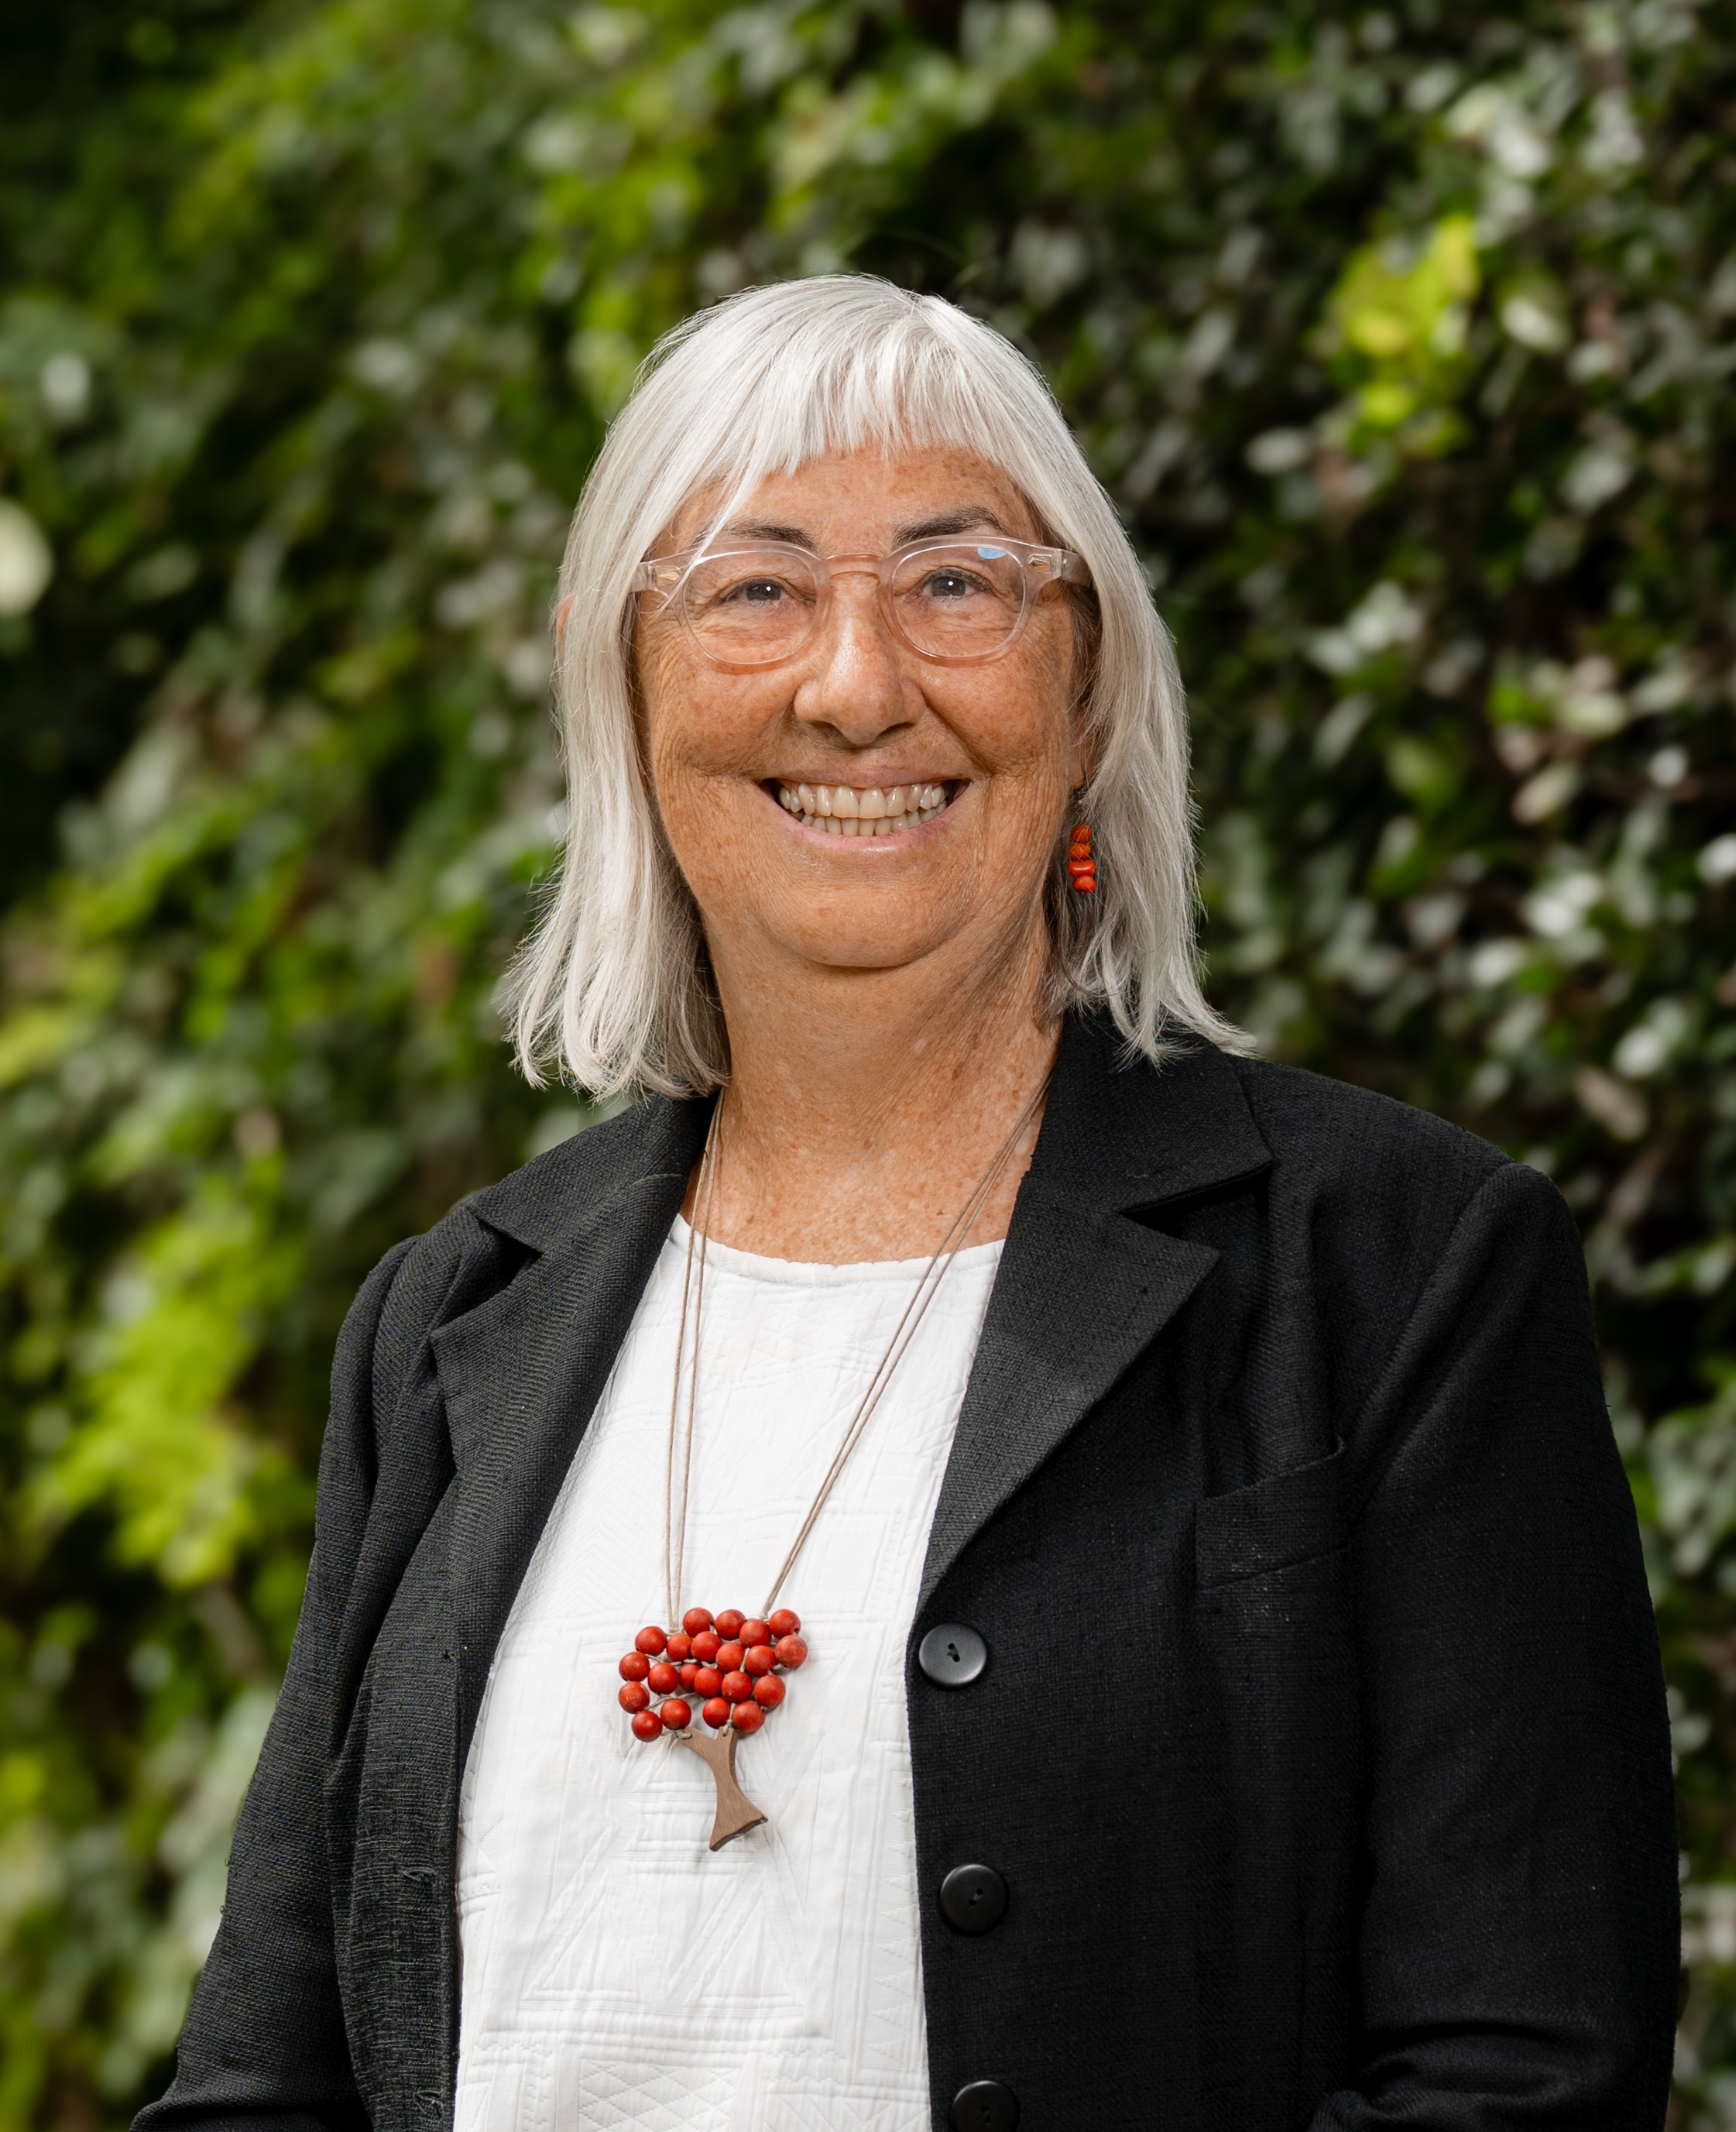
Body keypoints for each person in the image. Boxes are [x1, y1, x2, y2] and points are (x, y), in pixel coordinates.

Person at [136, 276, 1678, 2132]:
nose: (858, 687)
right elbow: (259, 2083)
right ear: (617, 685)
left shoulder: (1397, 1266)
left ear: (1085, 682)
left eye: (955, 583)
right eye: (755, 586)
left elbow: (1517, 2074)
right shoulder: (446, 1321)